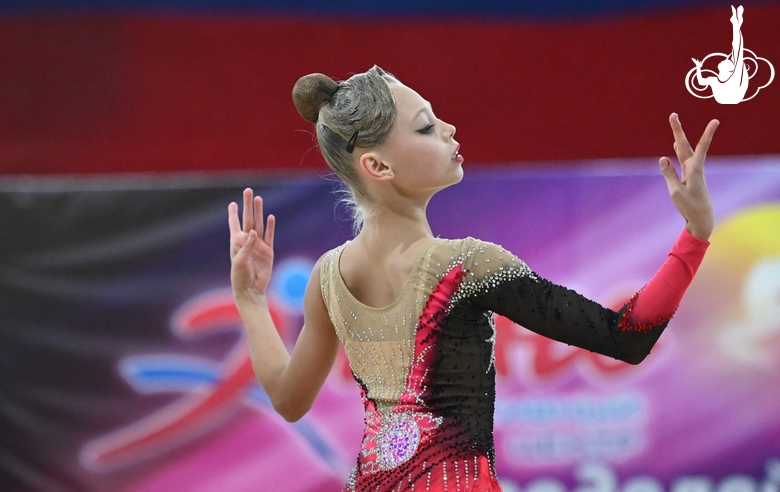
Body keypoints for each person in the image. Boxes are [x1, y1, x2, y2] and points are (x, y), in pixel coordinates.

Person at [227, 66, 718, 491]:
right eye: (425, 128)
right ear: (376, 165)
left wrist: (250, 301)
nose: (449, 128)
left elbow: (290, 401)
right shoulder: (468, 266)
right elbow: (624, 337)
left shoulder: (328, 278)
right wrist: (695, 234)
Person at [693, 5, 748, 104]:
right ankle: (736, 23)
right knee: (736, 51)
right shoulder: (714, 80)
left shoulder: (735, 77)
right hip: (726, 98)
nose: (725, 59)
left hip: (734, 96)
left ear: (730, 69)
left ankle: (736, 23)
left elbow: (737, 48)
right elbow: (701, 82)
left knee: (737, 51)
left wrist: (736, 26)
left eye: (728, 61)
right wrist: (698, 67)